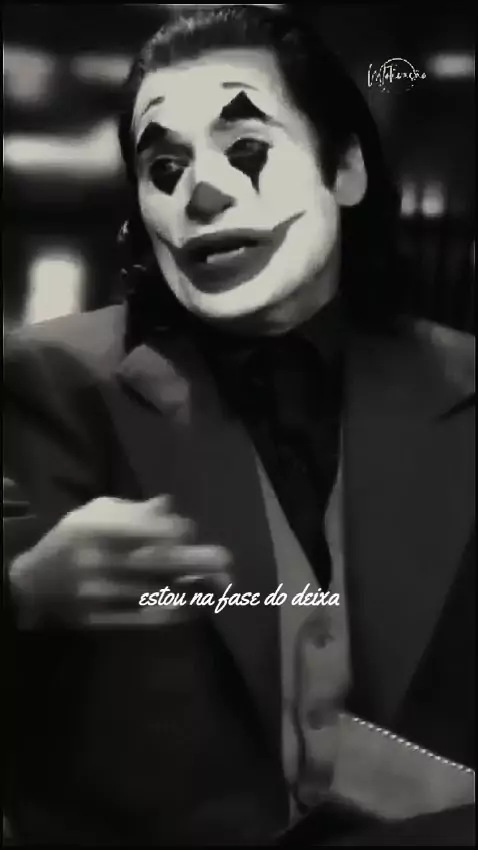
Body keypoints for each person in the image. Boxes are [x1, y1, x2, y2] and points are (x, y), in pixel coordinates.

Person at [3, 5, 475, 846]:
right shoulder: (49, 381)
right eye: (164, 167)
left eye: (247, 148)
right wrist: (24, 594)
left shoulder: (463, 385)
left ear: (346, 170)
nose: (203, 192)